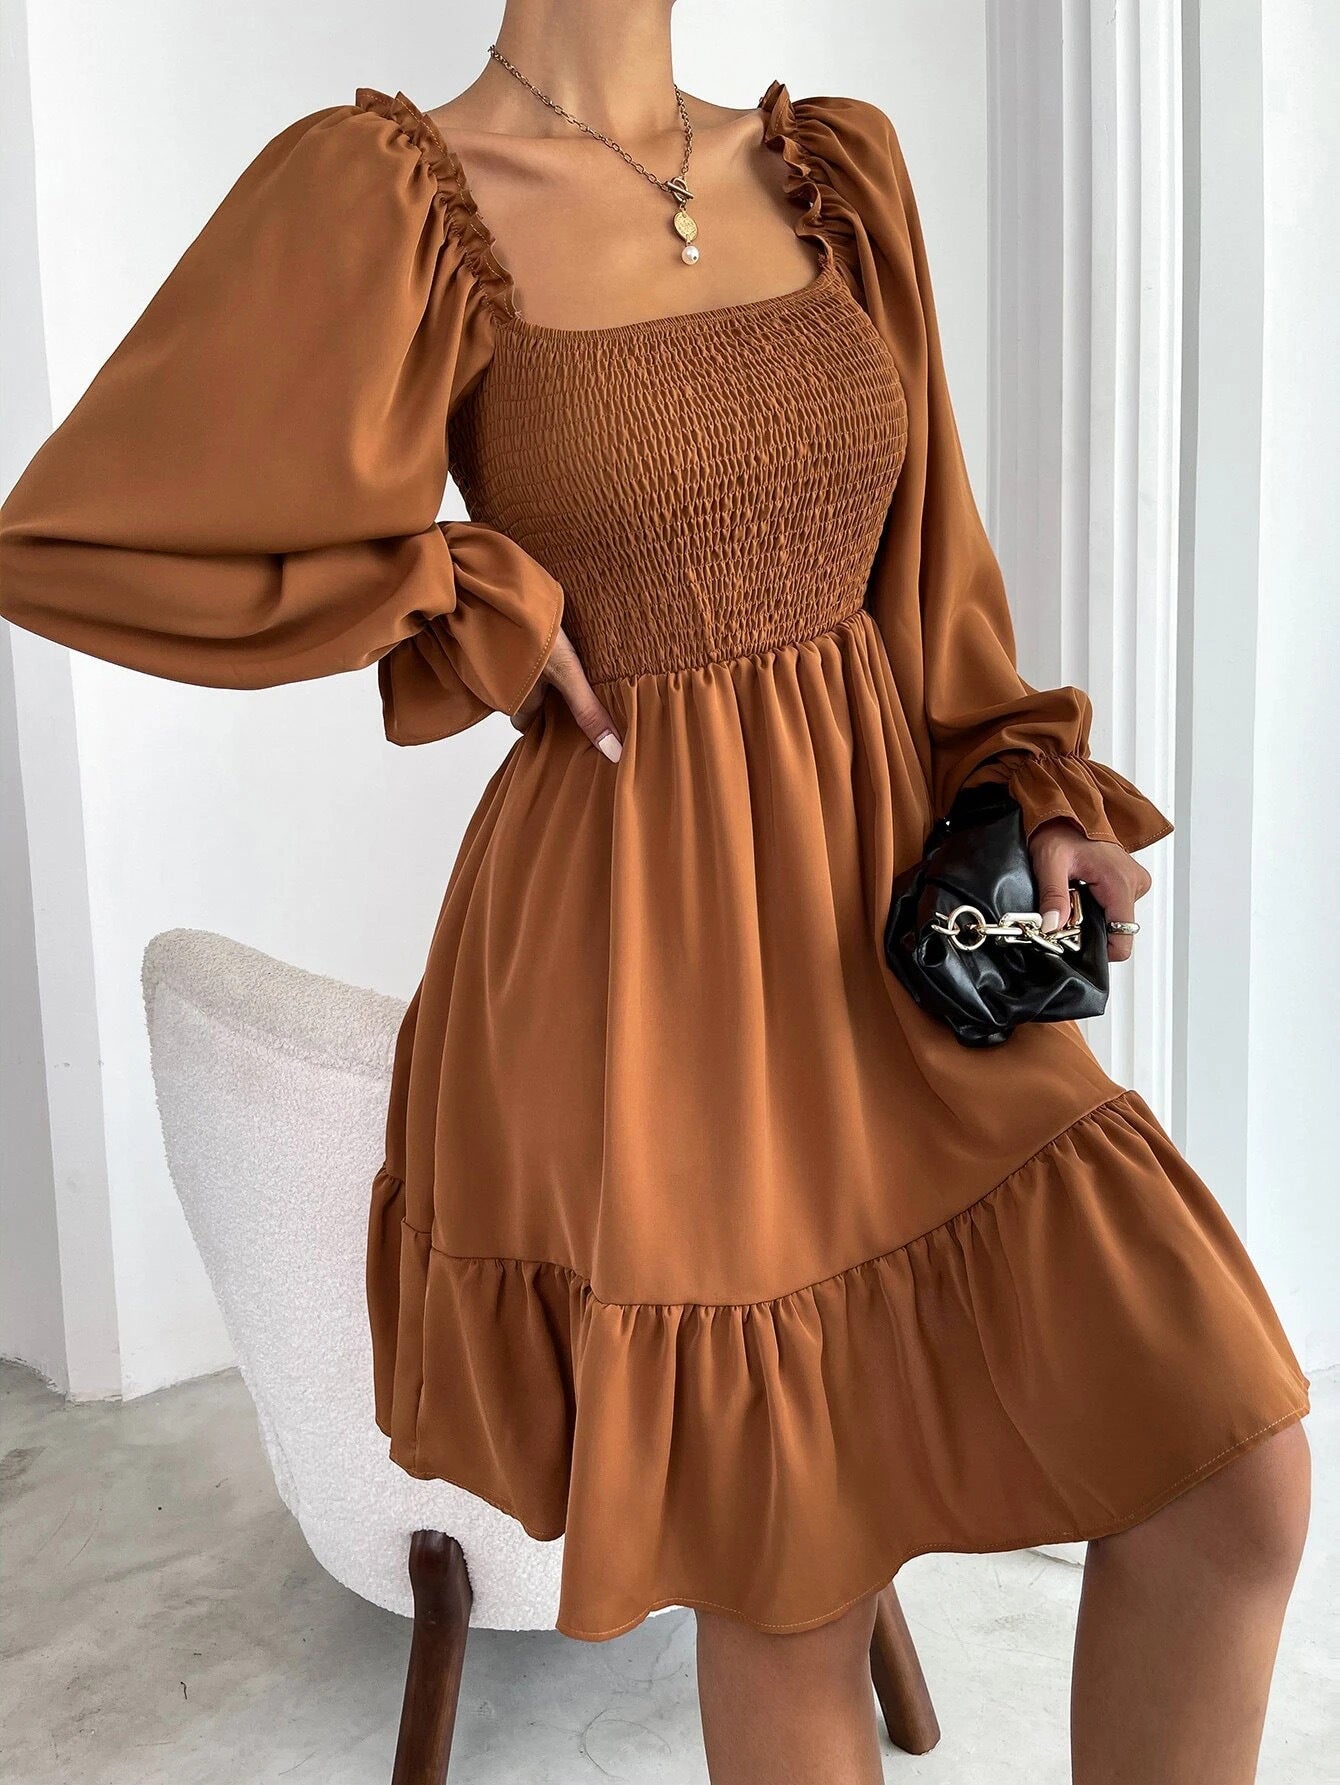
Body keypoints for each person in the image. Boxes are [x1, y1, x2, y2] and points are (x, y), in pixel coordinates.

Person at [0, 6, 1311, 1781]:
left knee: (1233, 1467)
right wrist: (449, 581)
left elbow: (934, 573)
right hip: (642, 963)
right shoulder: (397, 195)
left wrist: (1025, 776)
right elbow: (77, 536)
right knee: (791, 1576)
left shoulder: (833, 169)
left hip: (885, 937)